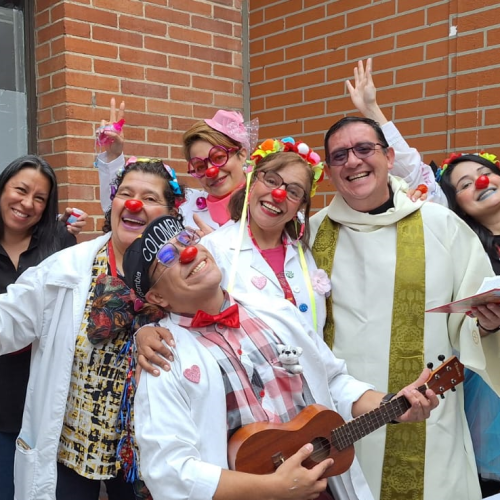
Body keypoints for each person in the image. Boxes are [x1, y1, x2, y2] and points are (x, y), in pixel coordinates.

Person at [121, 215, 439, 500]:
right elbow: (169, 470)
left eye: (187, 240)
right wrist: (274, 489)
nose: (189, 253)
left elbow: (331, 383)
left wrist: (393, 405)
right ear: (157, 297)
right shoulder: (162, 356)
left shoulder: (277, 314)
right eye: (167, 257)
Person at [310, 116, 500, 500]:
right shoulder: (310, 235)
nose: (353, 161)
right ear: (329, 172)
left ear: (388, 155)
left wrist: (488, 326)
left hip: (430, 421)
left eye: (365, 149)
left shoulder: (439, 224)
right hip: (342, 426)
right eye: (340, 155)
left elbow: (469, 316)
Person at [0, 158, 183, 500]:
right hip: (73, 449)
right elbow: (8, 318)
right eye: (126, 193)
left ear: (171, 213)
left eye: (149, 197)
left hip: (147, 455)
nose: (134, 204)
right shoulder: (65, 268)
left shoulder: (188, 272)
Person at [0, 154, 87, 500]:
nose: (27, 204)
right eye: (20, 190)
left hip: (43, 395)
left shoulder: (61, 245)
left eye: (40, 198)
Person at [201, 137, 328, 334]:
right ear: (252, 184)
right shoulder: (213, 248)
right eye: (271, 180)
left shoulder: (307, 250)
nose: (278, 194)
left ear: (300, 207)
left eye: (294, 192)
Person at [435, 152, 500, 497]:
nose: (480, 182)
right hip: (491, 389)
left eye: (484, 172)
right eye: (463, 184)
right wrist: (487, 326)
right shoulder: (465, 253)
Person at [95, 100, 258, 229]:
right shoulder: (185, 205)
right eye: (200, 166)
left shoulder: (267, 203)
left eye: (218, 157)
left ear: (242, 154)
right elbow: (119, 209)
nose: (211, 171)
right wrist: (113, 156)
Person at [346, 58, 448, 205]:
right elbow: (411, 176)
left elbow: (411, 175)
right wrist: (372, 108)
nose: (353, 161)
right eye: (339, 155)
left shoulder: (450, 221)